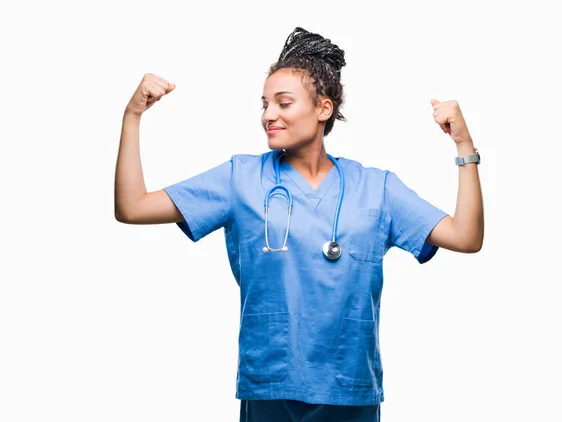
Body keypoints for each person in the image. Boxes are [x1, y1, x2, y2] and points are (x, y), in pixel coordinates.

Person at [114, 27, 484, 422]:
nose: (268, 115)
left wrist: (464, 147)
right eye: (264, 104)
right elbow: (132, 207)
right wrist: (132, 117)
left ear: (323, 109)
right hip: (272, 387)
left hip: (350, 391)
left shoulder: (378, 189)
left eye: (283, 103)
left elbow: (466, 236)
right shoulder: (240, 179)